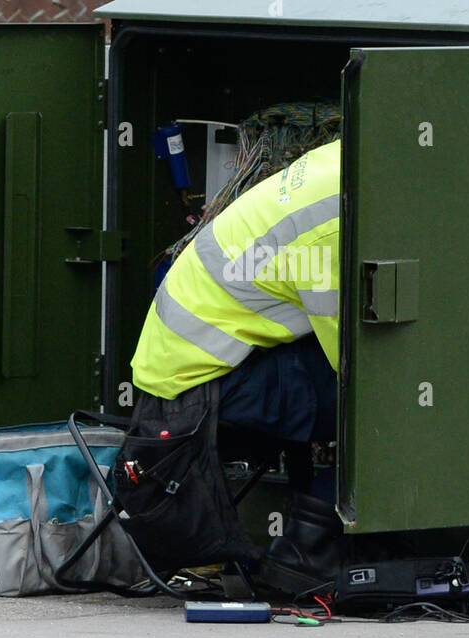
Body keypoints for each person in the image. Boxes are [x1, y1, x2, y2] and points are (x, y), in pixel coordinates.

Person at [130, 140, 342, 593]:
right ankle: (310, 546)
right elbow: (359, 366)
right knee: (389, 397)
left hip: (190, 369)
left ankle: (316, 532)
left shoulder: (339, 161)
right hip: (204, 387)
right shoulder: (330, 228)